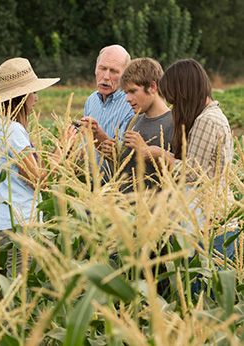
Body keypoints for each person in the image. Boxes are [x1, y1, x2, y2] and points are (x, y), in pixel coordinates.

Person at [129, 59, 236, 290]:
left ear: (184, 91)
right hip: (202, 224)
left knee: (201, 297)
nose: (173, 106)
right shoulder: (205, 117)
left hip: (211, 227)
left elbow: (192, 172)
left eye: (174, 99)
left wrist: (158, 154)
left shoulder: (208, 120)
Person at [0, 58, 77, 277]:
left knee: (8, 289)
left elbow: (26, 171)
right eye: (33, 92)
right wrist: (63, 145)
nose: (36, 97)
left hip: (0, 223)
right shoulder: (12, 130)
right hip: (19, 225)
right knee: (23, 290)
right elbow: (38, 179)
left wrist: (58, 155)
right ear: (21, 97)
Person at [101, 57, 174, 193]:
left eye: (133, 91)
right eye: (126, 93)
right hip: (127, 209)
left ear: (152, 87)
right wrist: (112, 157)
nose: (128, 99)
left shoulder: (174, 124)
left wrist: (147, 151)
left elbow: (183, 176)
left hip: (156, 210)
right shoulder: (133, 122)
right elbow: (125, 172)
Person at [79, 45, 135, 183]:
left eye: (114, 71)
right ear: (95, 68)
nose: (106, 76)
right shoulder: (91, 101)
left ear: (126, 75)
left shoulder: (131, 105)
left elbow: (123, 156)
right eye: (102, 68)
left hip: (114, 190)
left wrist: (99, 135)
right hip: (88, 188)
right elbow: (85, 144)